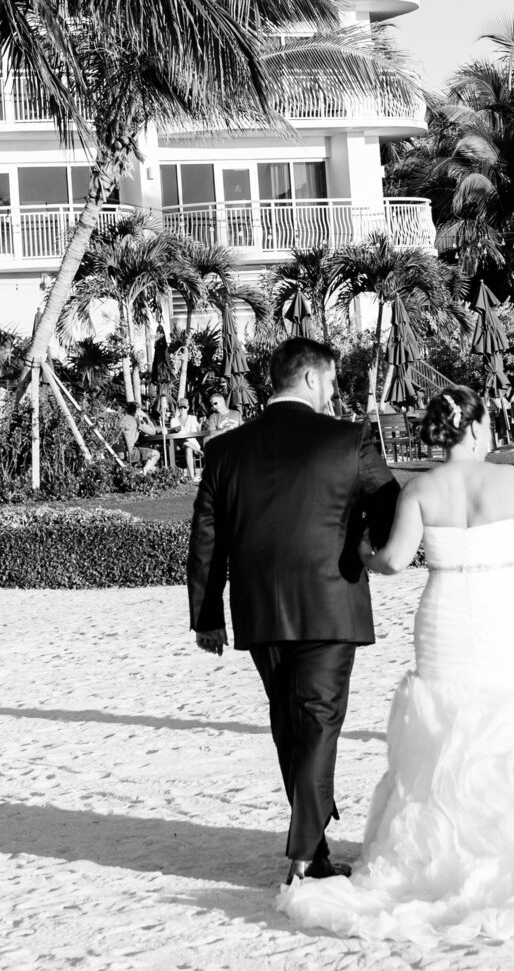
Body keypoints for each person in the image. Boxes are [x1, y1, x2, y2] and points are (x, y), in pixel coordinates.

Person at [278, 386, 514, 944]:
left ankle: (443, 852)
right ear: (478, 429)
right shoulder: (510, 481)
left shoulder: (421, 488)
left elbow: (392, 559)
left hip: (444, 615)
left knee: (445, 723)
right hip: (503, 607)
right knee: (513, 717)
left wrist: (364, 551)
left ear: (440, 432)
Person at [187, 336, 400, 885]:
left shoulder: (225, 450)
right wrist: (368, 546)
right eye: (330, 380)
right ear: (309, 378)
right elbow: (391, 505)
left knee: (291, 726)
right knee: (318, 723)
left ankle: (315, 852)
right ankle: (304, 853)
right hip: (331, 601)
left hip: (260, 610)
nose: (333, 391)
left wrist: (208, 616)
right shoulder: (351, 439)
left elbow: (206, 541)